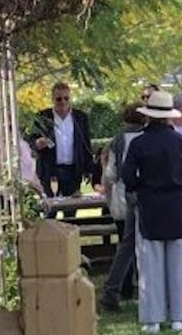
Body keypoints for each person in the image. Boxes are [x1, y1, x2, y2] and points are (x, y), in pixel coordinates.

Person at [121, 90, 182, 333]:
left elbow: (127, 176)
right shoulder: (181, 142)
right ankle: (179, 317)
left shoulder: (137, 143)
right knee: (180, 263)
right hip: (177, 205)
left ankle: (152, 319)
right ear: (168, 116)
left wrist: (141, 188)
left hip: (150, 205)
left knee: (151, 264)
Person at [99, 105, 146, 313]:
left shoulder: (117, 141)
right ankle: (140, 288)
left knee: (126, 243)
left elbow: (110, 174)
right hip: (141, 193)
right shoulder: (144, 138)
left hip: (121, 194)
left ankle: (116, 289)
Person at [27, 81, 99, 210]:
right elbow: (31, 141)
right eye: (59, 99)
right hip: (50, 170)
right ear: (52, 99)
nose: (63, 102)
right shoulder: (42, 117)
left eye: (66, 98)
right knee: (50, 210)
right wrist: (38, 143)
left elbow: (85, 144)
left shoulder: (80, 117)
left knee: (71, 210)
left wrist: (88, 169)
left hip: (72, 170)